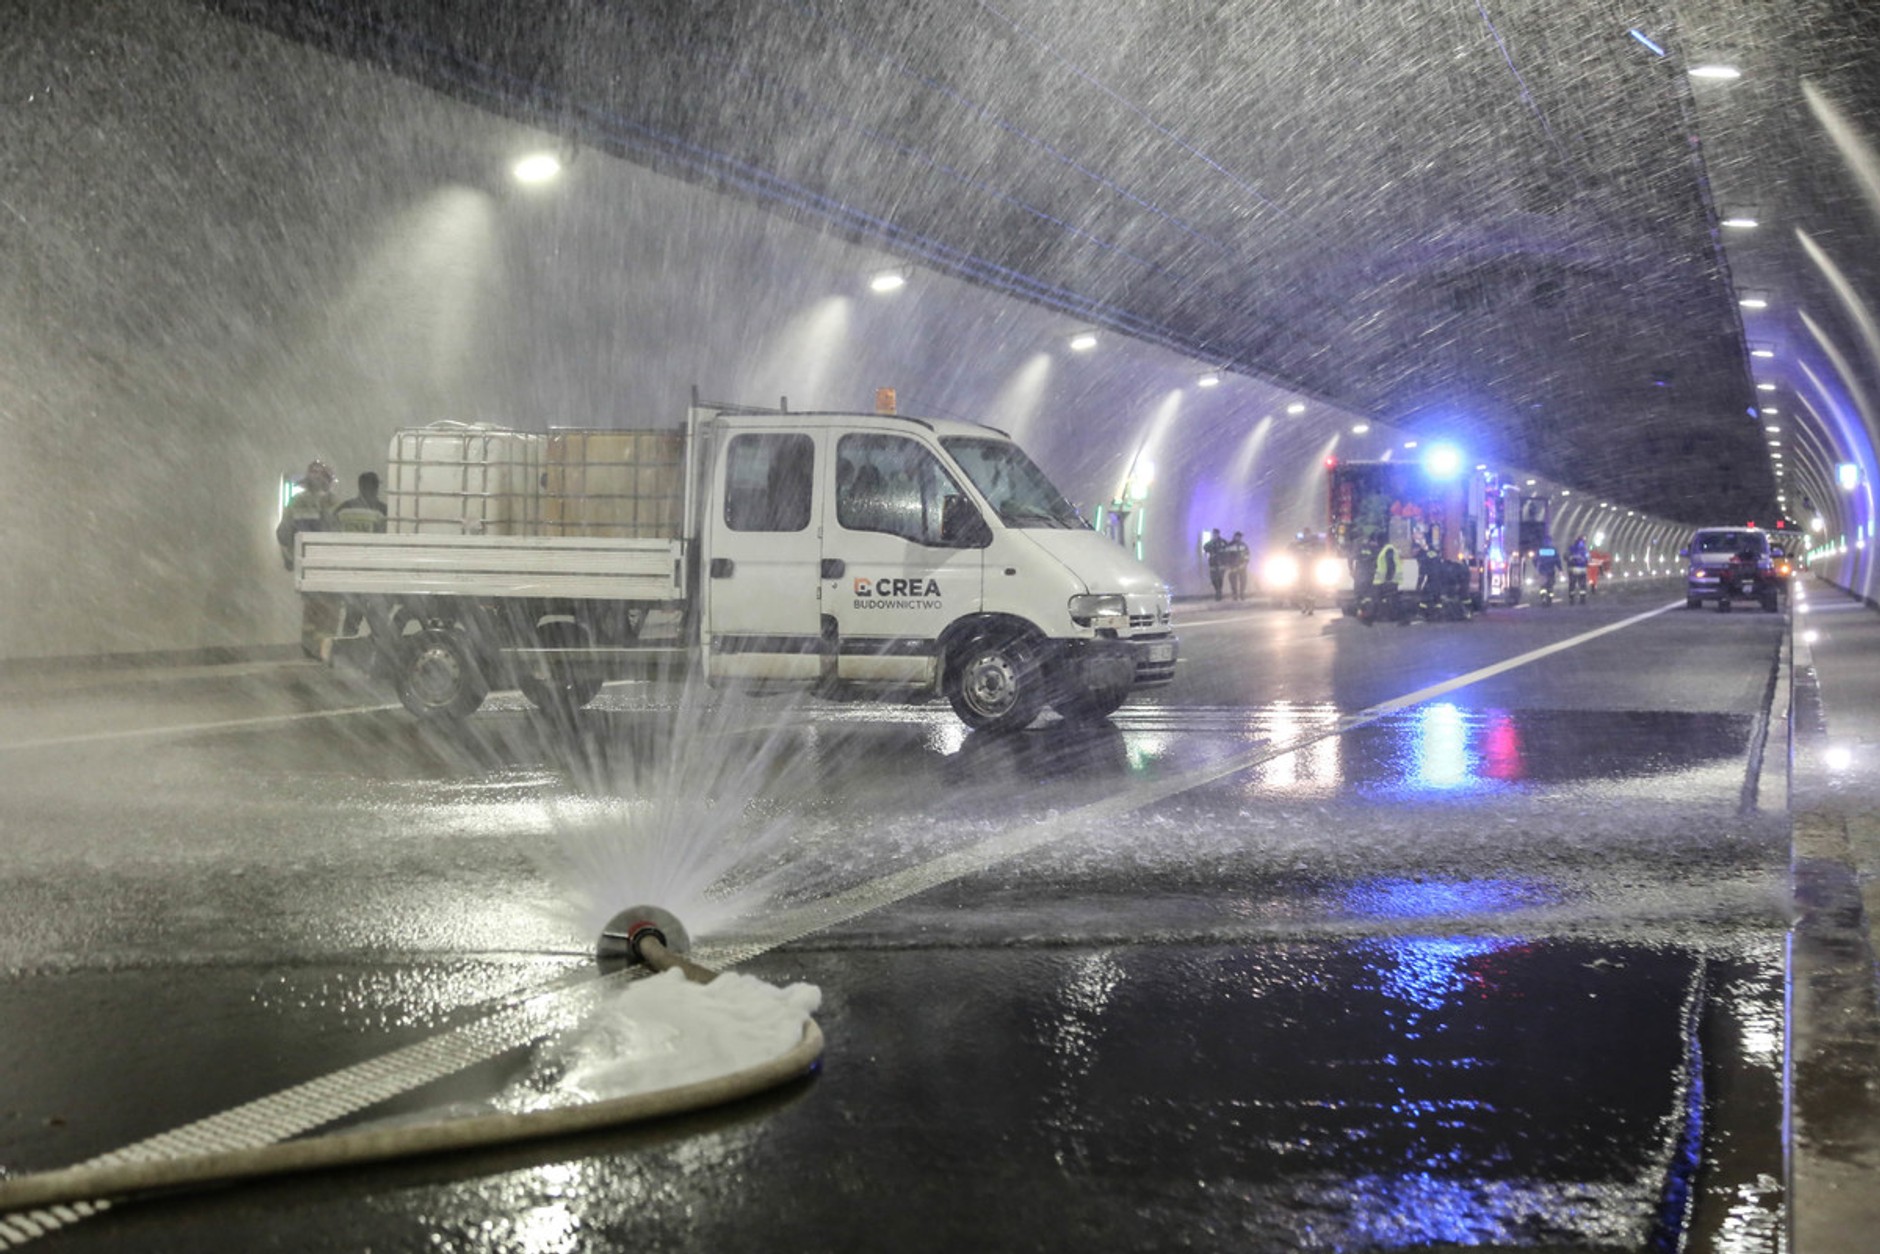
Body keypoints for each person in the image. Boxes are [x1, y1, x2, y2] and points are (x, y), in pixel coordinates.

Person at [276, 460, 340, 657]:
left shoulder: (296, 502)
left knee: (311, 610)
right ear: (329, 482)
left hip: (306, 567)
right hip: (329, 566)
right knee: (329, 610)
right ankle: (324, 649)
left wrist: (289, 557)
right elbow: (341, 535)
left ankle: (309, 647)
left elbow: (283, 532)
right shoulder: (334, 504)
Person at [1203, 527, 1230, 601]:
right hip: (1213, 563)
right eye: (1214, 534)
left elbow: (1227, 552)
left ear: (1218, 534)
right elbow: (1205, 547)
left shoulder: (1223, 542)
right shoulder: (1211, 542)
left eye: (1216, 534)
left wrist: (1226, 562)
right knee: (1213, 579)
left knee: (1220, 578)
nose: (1214, 535)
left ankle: (1219, 592)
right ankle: (1217, 590)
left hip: (1221, 563)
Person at [1225, 530, 1251, 601]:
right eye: (1237, 536)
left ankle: (1242, 594)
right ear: (1234, 537)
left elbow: (1247, 555)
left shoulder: (1243, 545)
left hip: (1242, 567)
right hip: (1233, 566)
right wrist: (1229, 565)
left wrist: (1245, 564)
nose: (1238, 538)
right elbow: (1227, 556)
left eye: (1239, 537)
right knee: (1233, 581)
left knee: (1243, 581)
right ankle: (1235, 595)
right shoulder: (1230, 545)